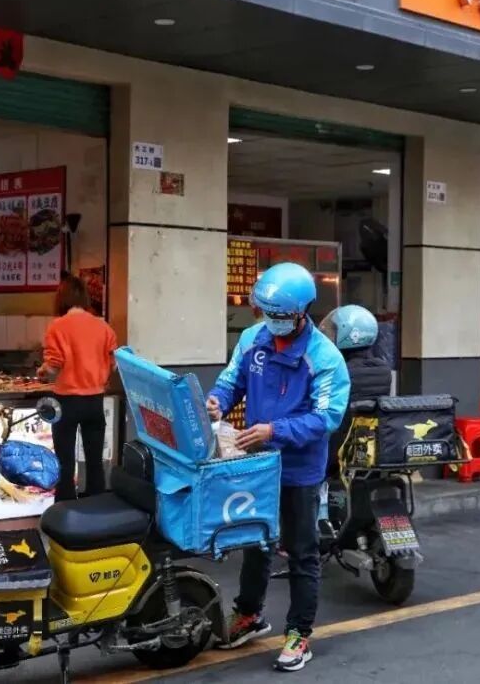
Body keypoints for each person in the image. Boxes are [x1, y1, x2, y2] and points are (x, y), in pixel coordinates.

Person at [205, 262, 350, 672]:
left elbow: (327, 417)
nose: (272, 321)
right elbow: (231, 381)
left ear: (302, 313)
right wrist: (217, 400)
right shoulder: (253, 339)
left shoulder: (325, 358)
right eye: (266, 312)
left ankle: (299, 633)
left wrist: (274, 431)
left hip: (299, 469)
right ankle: (249, 614)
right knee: (256, 542)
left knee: (302, 551)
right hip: (258, 463)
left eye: (280, 315)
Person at [38, 275, 118, 502]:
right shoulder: (103, 326)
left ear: (61, 298)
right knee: (95, 462)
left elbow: (53, 366)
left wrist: (42, 371)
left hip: (66, 403)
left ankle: (65, 509)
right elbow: (114, 364)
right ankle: (96, 508)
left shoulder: (57, 326)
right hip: (95, 401)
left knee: (64, 462)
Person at [320, 305, 393, 482]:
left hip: (334, 454)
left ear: (346, 335)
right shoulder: (383, 370)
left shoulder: (337, 372)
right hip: (369, 451)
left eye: (333, 332)